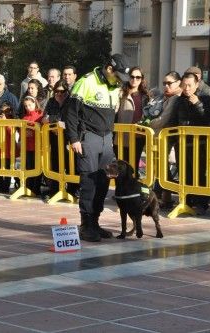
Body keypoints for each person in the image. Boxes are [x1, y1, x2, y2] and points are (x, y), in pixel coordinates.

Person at [65, 54, 130, 242]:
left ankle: (95, 221)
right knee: (89, 182)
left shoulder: (114, 85)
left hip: (106, 138)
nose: (120, 81)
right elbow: (71, 113)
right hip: (88, 137)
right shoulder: (86, 82)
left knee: (103, 181)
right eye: (117, 76)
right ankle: (86, 225)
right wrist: (74, 139)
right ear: (109, 69)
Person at [175, 72, 210, 215]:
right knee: (185, 174)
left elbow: (208, 117)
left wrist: (197, 104)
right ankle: (187, 201)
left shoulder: (205, 98)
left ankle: (201, 203)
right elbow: (175, 119)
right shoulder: (179, 100)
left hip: (199, 144)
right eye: (184, 85)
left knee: (199, 174)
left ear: (197, 85)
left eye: (189, 85)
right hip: (182, 142)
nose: (186, 88)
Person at [147, 71, 182, 208]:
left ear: (178, 83)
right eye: (164, 83)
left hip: (170, 137)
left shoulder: (176, 98)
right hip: (161, 137)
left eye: (169, 83)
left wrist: (146, 123)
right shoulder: (166, 96)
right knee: (161, 167)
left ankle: (164, 195)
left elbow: (163, 119)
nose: (166, 86)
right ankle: (165, 198)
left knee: (164, 167)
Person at [114, 66, 149, 177]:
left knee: (133, 168)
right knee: (121, 168)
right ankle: (120, 193)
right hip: (122, 136)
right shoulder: (121, 93)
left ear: (142, 79)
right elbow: (114, 111)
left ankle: (132, 192)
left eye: (138, 77)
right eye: (132, 77)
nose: (135, 79)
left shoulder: (146, 96)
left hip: (138, 136)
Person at [43, 79, 70, 200]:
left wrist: (54, 120)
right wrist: (56, 122)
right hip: (53, 137)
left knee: (70, 164)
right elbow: (45, 118)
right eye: (56, 91)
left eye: (62, 91)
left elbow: (70, 119)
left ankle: (72, 190)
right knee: (55, 163)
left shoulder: (71, 102)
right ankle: (54, 189)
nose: (59, 94)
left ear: (67, 91)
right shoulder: (51, 101)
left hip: (68, 137)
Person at [0, 102, 18, 193]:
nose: (3, 113)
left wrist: (6, 121)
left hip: (8, 150)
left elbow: (12, 132)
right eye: (1, 111)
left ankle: (6, 187)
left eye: (6, 111)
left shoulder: (12, 121)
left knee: (8, 169)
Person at [22, 96, 44, 196]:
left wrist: (33, 132)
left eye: (30, 105)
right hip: (27, 147)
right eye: (26, 106)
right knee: (29, 167)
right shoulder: (24, 117)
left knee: (37, 169)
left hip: (38, 146)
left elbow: (43, 129)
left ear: (35, 104)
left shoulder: (40, 115)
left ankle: (36, 189)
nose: (28, 107)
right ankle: (28, 188)